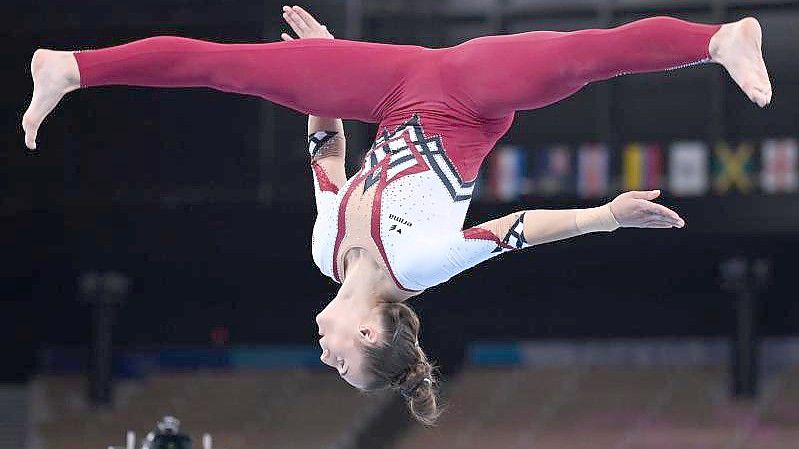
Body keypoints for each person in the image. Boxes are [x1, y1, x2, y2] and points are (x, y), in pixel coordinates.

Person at [21, 5, 771, 425]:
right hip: (469, 95)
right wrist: (606, 214)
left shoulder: (325, 252)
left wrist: (320, 69)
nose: (324, 356)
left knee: (233, 68)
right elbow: (516, 232)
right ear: (371, 335)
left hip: (388, 91)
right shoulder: (420, 265)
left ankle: (70, 68)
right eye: (342, 362)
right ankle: (716, 41)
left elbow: (324, 150)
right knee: (583, 56)